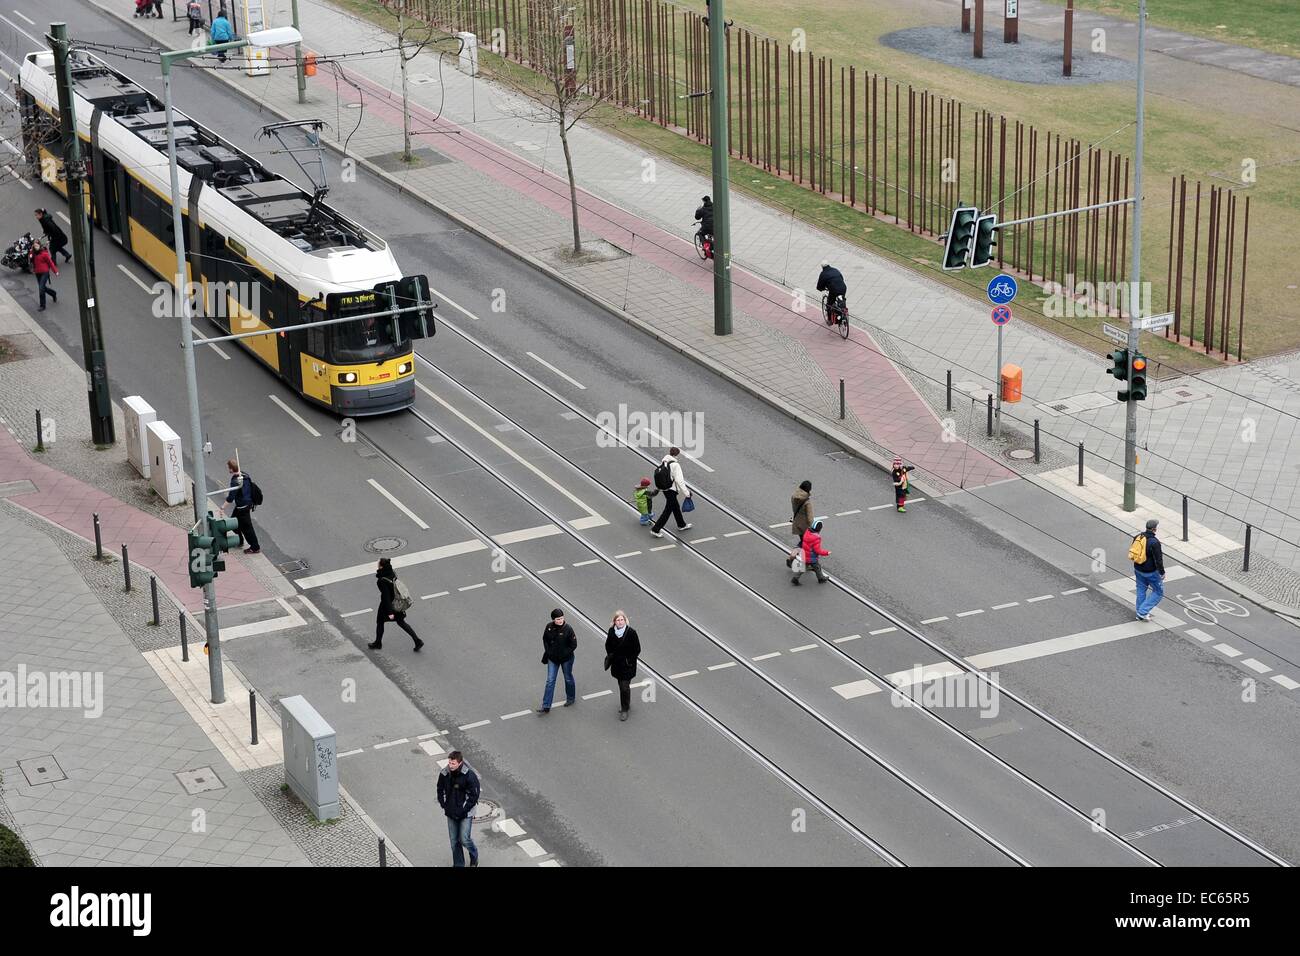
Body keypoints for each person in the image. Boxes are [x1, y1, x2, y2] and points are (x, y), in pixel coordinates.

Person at [436, 751, 480, 868]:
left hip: (466, 813)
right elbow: (440, 789)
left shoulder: (469, 775)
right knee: (454, 841)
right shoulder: (444, 773)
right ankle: (459, 864)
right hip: (451, 812)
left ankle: (474, 855)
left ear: (459, 763)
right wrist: (444, 804)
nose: (450, 765)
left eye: (453, 763)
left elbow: (474, 795)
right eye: (449, 762)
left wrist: (463, 809)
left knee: (465, 839)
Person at [369, 558, 423, 651]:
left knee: (380, 622)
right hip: (398, 602)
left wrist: (390, 612)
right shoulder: (392, 572)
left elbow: (386, 597)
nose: (377, 565)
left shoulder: (381, 580)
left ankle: (378, 643)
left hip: (388, 606)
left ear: (381, 566)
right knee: (401, 622)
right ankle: (417, 640)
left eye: (378, 564)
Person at [537, 608, 577, 714]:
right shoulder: (549, 627)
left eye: (562, 618)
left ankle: (571, 698)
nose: (560, 621)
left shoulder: (568, 629)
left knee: (568, 678)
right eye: (558, 619)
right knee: (550, 681)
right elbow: (545, 639)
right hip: (553, 659)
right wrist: (549, 652)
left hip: (566, 659)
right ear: (553, 619)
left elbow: (574, 645)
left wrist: (564, 654)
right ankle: (546, 706)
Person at [604, 610, 641, 722]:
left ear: (625, 621)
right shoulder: (611, 631)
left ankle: (624, 709)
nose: (620, 622)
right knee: (622, 685)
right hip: (616, 665)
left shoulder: (631, 633)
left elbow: (637, 649)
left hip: (627, 665)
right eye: (618, 620)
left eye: (622, 620)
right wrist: (611, 655)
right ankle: (626, 704)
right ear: (614, 622)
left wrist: (628, 660)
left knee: (624, 686)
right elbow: (608, 645)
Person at [650, 447, 692, 538]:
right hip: (672, 490)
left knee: (675, 507)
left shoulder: (664, 462)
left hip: (665, 489)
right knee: (668, 510)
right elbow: (679, 480)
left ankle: (681, 525)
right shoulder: (675, 465)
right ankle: (655, 529)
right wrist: (687, 493)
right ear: (677, 455)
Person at [223, 458, 260, 554]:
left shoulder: (235, 481)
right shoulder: (245, 475)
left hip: (242, 507)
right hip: (246, 504)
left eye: (228, 467)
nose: (228, 469)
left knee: (247, 528)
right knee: (234, 523)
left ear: (231, 468)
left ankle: (255, 547)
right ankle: (240, 540)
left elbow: (231, 497)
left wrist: (222, 507)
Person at [1132, 518, 1166, 622]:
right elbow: (1158, 560)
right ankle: (1142, 612)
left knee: (1141, 589)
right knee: (1158, 592)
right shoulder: (1154, 542)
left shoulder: (1138, 537)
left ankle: (1139, 612)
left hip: (1138, 568)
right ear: (1155, 529)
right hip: (1150, 572)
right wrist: (1162, 572)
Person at [792, 517, 830, 586]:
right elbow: (818, 550)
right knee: (817, 567)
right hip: (812, 558)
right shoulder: (816, 538)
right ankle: (821, 578)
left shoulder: (807, 532)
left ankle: (795, 578)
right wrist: (826, 553)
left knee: (803, 568)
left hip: (805, 555)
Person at [788, 479, 813, 565]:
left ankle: (795, 556)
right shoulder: (807, 501)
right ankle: (795, 557)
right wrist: (812, 526)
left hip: (796, 522)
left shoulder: (794, 496)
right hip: (805, 525)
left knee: (803, 541)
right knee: (806, 543)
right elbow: (810, 517)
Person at [29, 240, 57, 312]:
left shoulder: (44, 254)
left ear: (39, 245)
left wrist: (55, 271)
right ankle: (53, 293)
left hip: (45, 272)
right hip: (37, 273)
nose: (36, 247)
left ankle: (42, 305)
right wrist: (31, 251)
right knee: (43, 288)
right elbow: (30, 258)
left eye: (37, 246)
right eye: (34, 246)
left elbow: (50, 263)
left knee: (41, 289)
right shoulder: (33, 253)